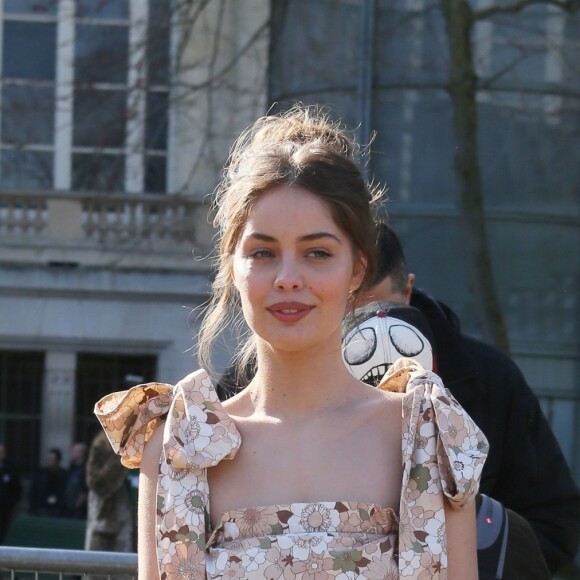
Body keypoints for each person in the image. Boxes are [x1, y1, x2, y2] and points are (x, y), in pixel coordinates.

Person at [94, 106, 488, 579]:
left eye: (316, 253)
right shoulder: (180, 448)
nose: (287, 278)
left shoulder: (425, 438)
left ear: (356, 270)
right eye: (263, 253)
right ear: (233, 269)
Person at [362, 223, 580, 576]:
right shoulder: (263, 389)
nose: (366, 329)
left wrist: (481, 550)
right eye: (347, 311)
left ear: (407, 292)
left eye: (375, 308)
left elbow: (555, 521)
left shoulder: (489, 378)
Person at [84, 431, 134, 554]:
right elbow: (95, 481)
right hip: (106, 516)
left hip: (127, 515)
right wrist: (122, 457)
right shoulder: (104, 442)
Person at [28, 448, 67, 517]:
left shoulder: (63, 475)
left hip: (57, 508)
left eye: (52, 459)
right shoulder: (40, 473)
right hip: (42, 507)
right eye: (49, 459)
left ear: (57, 461)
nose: (49, 461)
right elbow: (34, 490)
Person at [0, 442, 22, 544]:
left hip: (4, 509)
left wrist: (11, 503)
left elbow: (16, 489)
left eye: (1, 452)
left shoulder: (10, 469)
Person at [65, 442, 88, 519]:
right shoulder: (71, 468)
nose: (72, 453)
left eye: (74, 451)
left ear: (81, 453)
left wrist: (77, 505)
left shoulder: (86, 470)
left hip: (79, 511)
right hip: (67, 508)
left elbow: (85, 490)